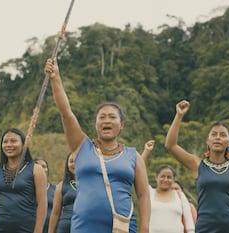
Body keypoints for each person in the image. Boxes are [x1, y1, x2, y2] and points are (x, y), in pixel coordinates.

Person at [44, 57, 150, 233]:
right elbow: (66, 113)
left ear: (122, 124)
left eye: (112, 117)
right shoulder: (82, 147)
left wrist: (145, 227)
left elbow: (143, 194)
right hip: (84, 227)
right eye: (102, 117)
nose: (106, 120)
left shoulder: (133, 156)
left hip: (121, 227)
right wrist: (56, 78)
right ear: (95, 124)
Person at [164, 100, 229, 233]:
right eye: (214, 134)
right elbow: (170, 145)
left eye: (223, 135)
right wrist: (179, 115)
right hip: (205, 228)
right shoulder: (198, 165)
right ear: (208, 140)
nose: (218, 138)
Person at [0, 128, 47, 233]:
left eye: (13, 141)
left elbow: (42, 203)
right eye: (5, 142)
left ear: (24, 145)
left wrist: (38, 230)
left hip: (26, 228)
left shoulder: (36, 170)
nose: (9, 145)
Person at [141, 140, 194, 233]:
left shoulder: (180, 196)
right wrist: (146, 151)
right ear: (156, 177)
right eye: (162, 176)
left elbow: (189, 224)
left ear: (173, 180)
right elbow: (139, 173)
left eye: (169, 177)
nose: (165, 180)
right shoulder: (149, 193)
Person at [48, 153, 76, 233]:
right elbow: (55, 213)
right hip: (65, 227)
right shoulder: (61, 186)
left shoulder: (90, 183)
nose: (74, 164)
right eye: (71, 161)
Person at [34, 158, 57, 233]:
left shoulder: (56, 190)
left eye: (44, 166)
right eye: (37, 166)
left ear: (47, 170)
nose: (41, 169)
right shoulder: (27, 190)